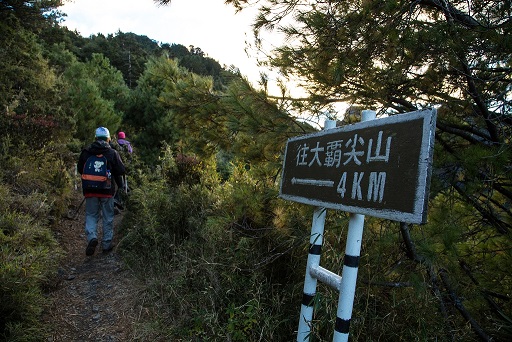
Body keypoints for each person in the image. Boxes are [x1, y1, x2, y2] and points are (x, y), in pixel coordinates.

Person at [77, 127, 126, 256]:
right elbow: (121, 170)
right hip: (107, 190)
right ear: (108, 138)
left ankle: (92, 237)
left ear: (96, 138)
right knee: (107, 217)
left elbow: (80, 169)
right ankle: (106, 244)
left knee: (91, 215)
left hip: (89, 190)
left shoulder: (86, 152)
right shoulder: (112, 153)